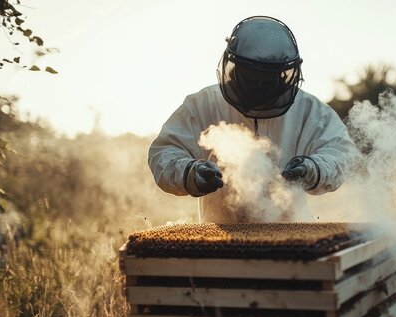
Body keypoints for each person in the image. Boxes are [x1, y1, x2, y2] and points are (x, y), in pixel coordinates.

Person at [148, 16, 356, 222]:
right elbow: (164, 152)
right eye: (250, 80)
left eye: (266, 82)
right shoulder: (203, 104)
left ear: (283, 75)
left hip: (293, 237)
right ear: (235, 70)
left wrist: (314, 169)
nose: (258, 89)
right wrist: (188, 172)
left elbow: (341, 153)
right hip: (220, 240)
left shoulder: (309, 110)